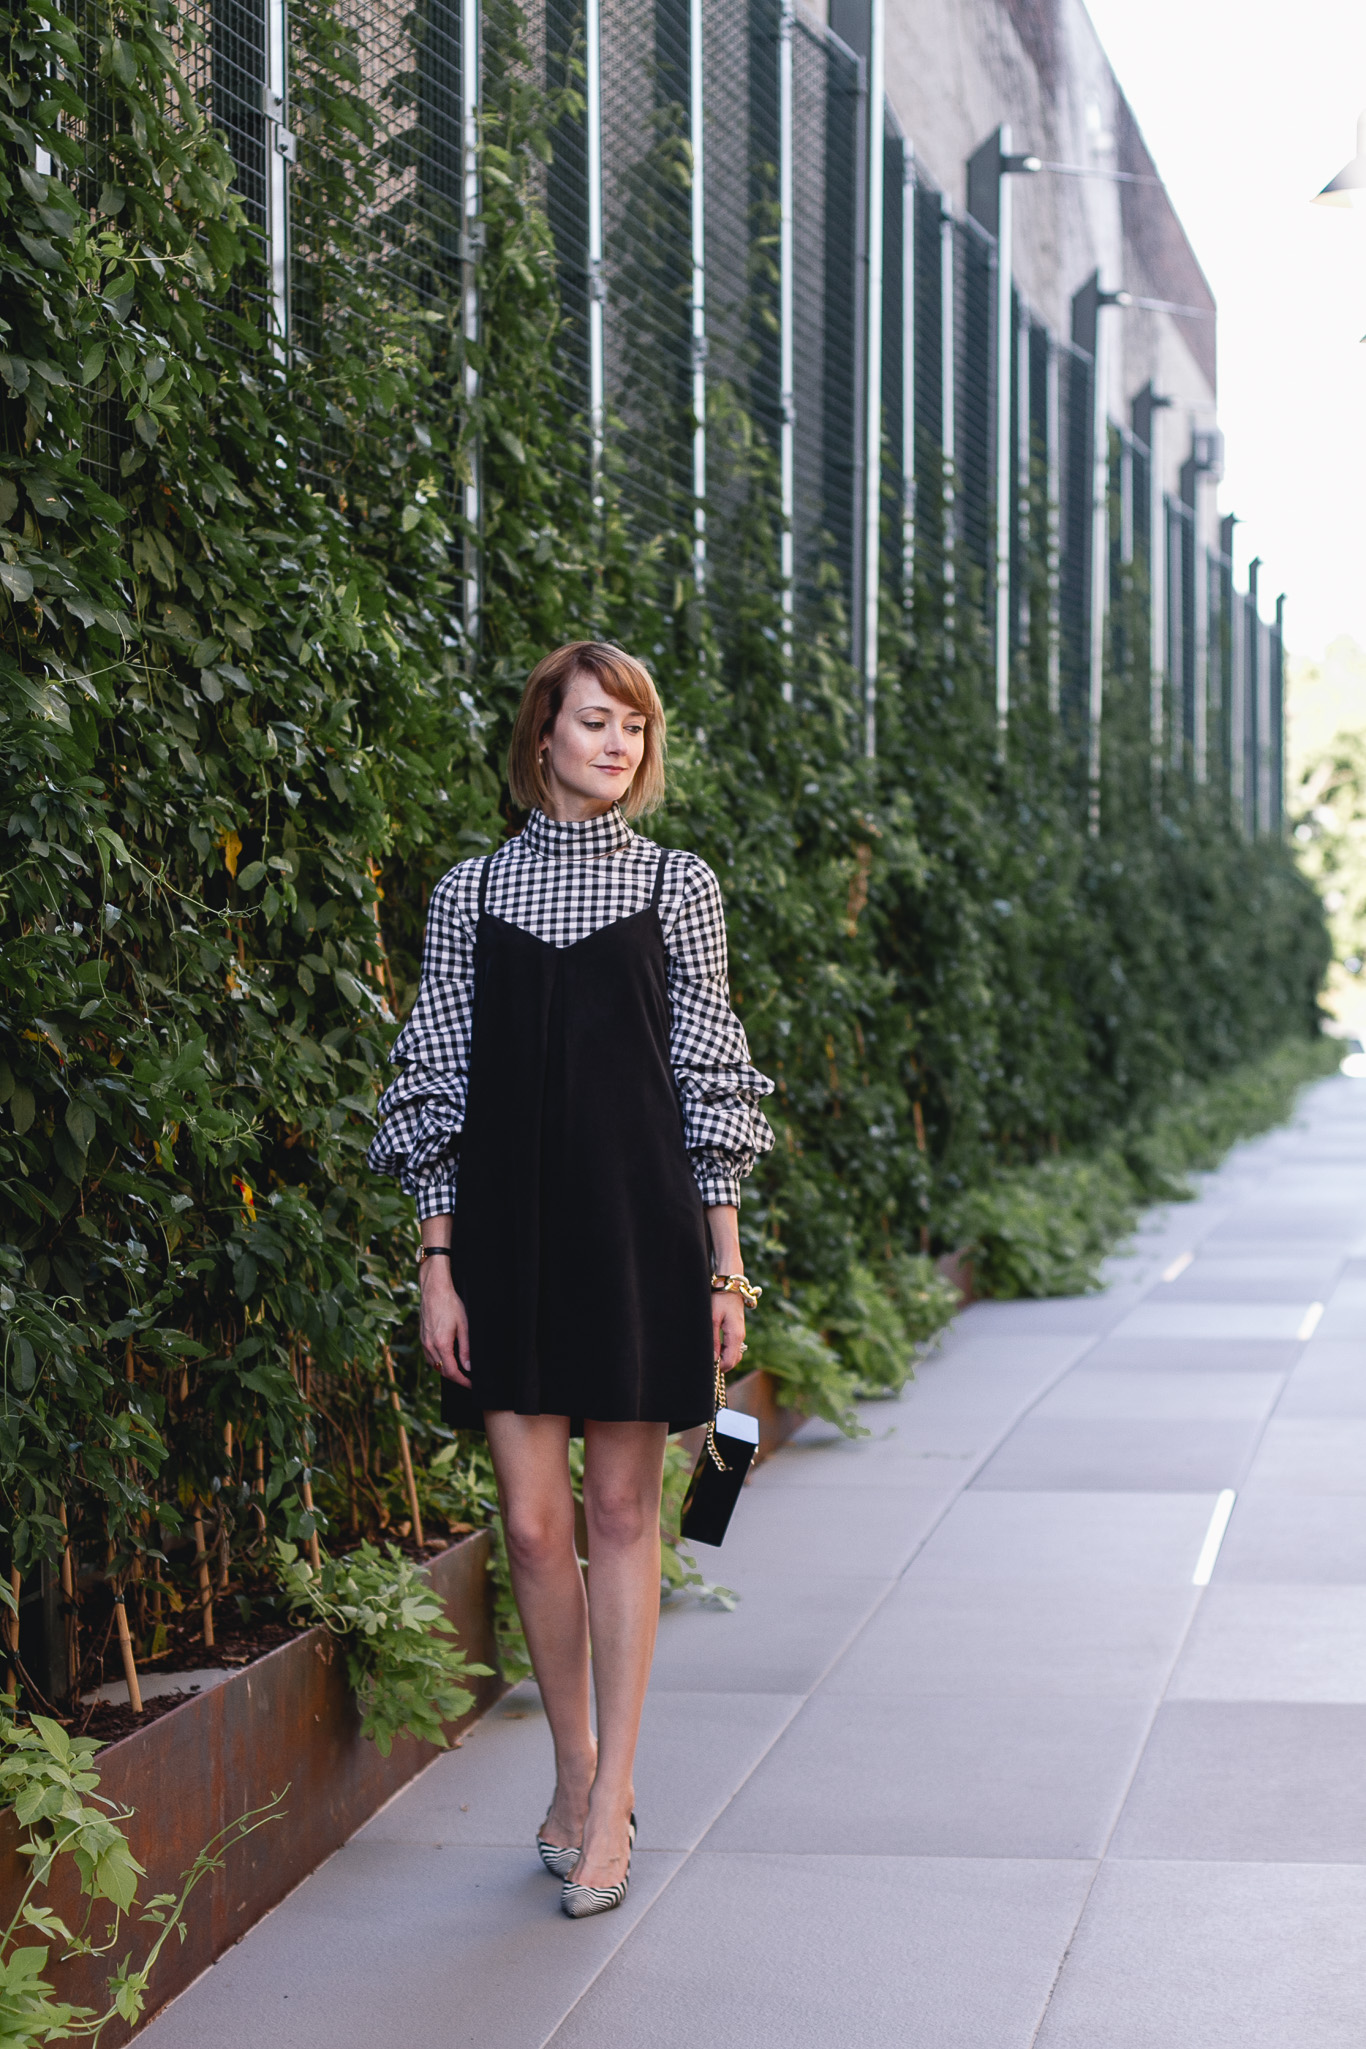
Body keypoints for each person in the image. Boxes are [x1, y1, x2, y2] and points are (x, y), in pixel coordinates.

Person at [368, 640, 774, 1918]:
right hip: (504, 1237)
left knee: (619, 1515)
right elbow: (432, 1079)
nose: (618, 746)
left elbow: (710, 1073)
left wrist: (727, 1263)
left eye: (635, 730)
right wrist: (437, 1262)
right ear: (540, 732)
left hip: (640, 1230)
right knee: (533, 1525)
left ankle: (612, 1806)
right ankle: (572, 1764)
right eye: (595, 722)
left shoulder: (677, 884)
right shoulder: (468, 891)